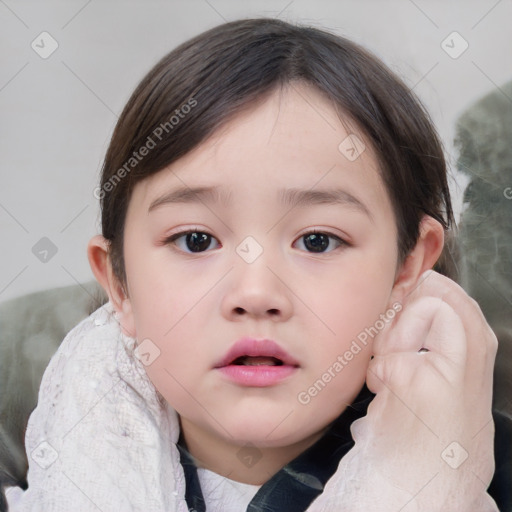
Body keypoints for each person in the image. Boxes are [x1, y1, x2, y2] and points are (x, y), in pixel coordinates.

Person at [8, 18, 510, 511]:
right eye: (196, 240)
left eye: (317, 241)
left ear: (408, 268)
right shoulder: (41, 474)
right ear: (119, 281)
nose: (255, 294)